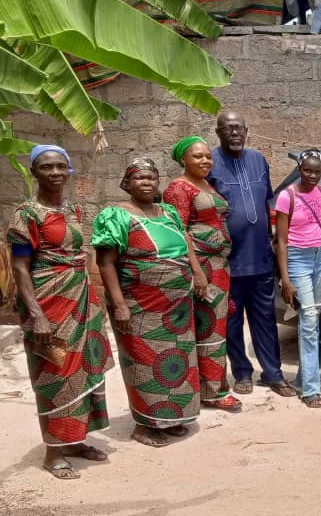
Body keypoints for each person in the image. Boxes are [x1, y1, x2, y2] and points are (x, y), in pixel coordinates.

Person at [8, 145, 115, 479]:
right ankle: (53, 452)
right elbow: (21, 268)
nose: (54, 172)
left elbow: (79, 256)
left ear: (69, 170)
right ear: (33, 172)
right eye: (46, 167)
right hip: (47, 300)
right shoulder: (25, 214)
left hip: (81, 298)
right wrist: (37, 314)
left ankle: (76, 439)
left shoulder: (75, 209)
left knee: (85, 370)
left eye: (60, 166)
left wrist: (95, 301)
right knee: (54, 374)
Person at [93, 158, 200, 448]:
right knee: (144, 360)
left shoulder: (168, 212)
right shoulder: (116, 215)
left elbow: (186, 244)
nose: (147, 182)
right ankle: (144, 425)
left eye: (152, 177)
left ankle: (171, 417)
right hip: (140, 304)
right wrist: (119, 305)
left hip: (176, 307)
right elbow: (105, 262)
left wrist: (197, 273)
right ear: (127, 184)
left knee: (177, 359)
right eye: (139, 178)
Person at [208, 110, 295, 398]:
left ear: (247, 131)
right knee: (232, 322)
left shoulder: (259, 160)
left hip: (259, 260)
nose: (234, 133)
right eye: (228, 128)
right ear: (218, 132)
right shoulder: (210, 163)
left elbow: (264, 199)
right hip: (228, 263)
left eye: (239, 128)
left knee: (266, 320)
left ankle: (273, 374)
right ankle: (242, 373)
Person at [163, 136, 242, 413]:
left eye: (208, 156)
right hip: (203, 268)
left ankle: (208, 386)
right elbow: (179, 230)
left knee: (215, 327)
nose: (205, 161)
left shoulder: (206, 184)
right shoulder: (178, 188)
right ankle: (213, 392)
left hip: (219, 266)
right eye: (197, 156)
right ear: (183, 159)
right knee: (209, 328)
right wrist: (197, 272)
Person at [275, 149, 321, 408]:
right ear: (299, 168)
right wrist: (285, 279)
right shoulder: (287, 197)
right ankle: (310, 389)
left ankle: (302, 379)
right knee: (308, 320)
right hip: (298, 258)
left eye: (317, 171)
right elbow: (282, 242)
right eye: (307, 170)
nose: (312, 175)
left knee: (312, 318)